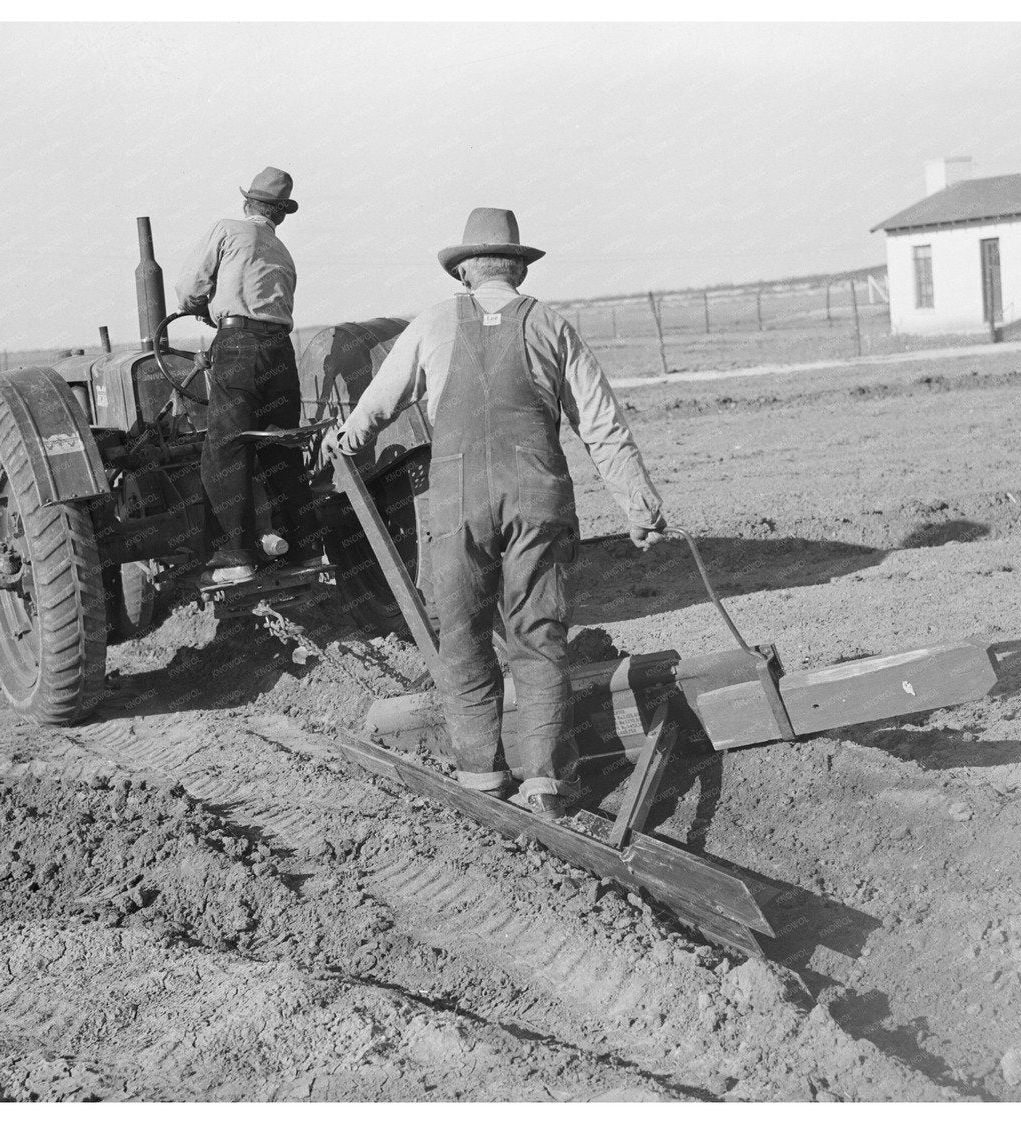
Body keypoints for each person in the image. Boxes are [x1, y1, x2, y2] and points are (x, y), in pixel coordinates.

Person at [325, 208, 666, 820]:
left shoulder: (432, 322)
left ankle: (481, 771)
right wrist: (638, 506)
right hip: (539, 500)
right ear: (518, 269)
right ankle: (544, 782)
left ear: (464, 272)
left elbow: (377, 404)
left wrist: (345, 439)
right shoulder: (553, 326)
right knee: (538, 636)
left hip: (458, 506)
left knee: (460, 633)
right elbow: (602, 426)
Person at [175, 166, 322, 585]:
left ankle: (235, 556)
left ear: (247, 203)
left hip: (239, 349)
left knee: (225, 450)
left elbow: (188, 289)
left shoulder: (227, 229)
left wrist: (206, 308)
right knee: (281, 449)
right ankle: (306, 549)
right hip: (281, 353)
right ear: (280, 214)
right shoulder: (282, 251)